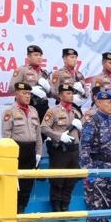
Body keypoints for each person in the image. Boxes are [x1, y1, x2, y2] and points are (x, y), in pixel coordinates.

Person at [80, 90, 111, 222]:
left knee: (108, 205)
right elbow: (84, 149)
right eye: (108, 102)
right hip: (97, 168)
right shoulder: (93, 122)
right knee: (95, 205)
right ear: (98, 103)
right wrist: (88, 172)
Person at [41, 83, 84, 211]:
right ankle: (56, 205)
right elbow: (44, 127)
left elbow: (82, 132)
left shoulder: (76, 112)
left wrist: (81, 124)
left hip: (74, 150)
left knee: (71, 180)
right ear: (60, 95)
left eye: (72, 93)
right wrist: (59, 136)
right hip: (60, 150)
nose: (70, 96)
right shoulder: (53, 111)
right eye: (67, 93)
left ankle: (65, 204)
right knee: (58, 179)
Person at [2, 81, 42, 213]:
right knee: (14, 182)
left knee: (28, 181)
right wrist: (8, 156)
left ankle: (22, 208)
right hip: (16, 150)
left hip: (30, 150)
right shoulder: (10, 111)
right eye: (24, 93)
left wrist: (38, 152)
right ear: (16, 94)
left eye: (29, 93)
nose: (28, 96)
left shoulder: (34, 111)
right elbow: (6, 135)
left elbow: (38, 134)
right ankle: (12, 208)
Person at [9, 44, 52, 126]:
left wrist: (48, 88)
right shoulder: (22, 70)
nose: (39, 57)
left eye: (40, 55)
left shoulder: (44, 73)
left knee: (43, 133)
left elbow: (51, 94)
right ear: (28, 57)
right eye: (36, 55)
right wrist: (30, 89)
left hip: (43, 106)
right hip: (27, 105)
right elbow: (12, 88)